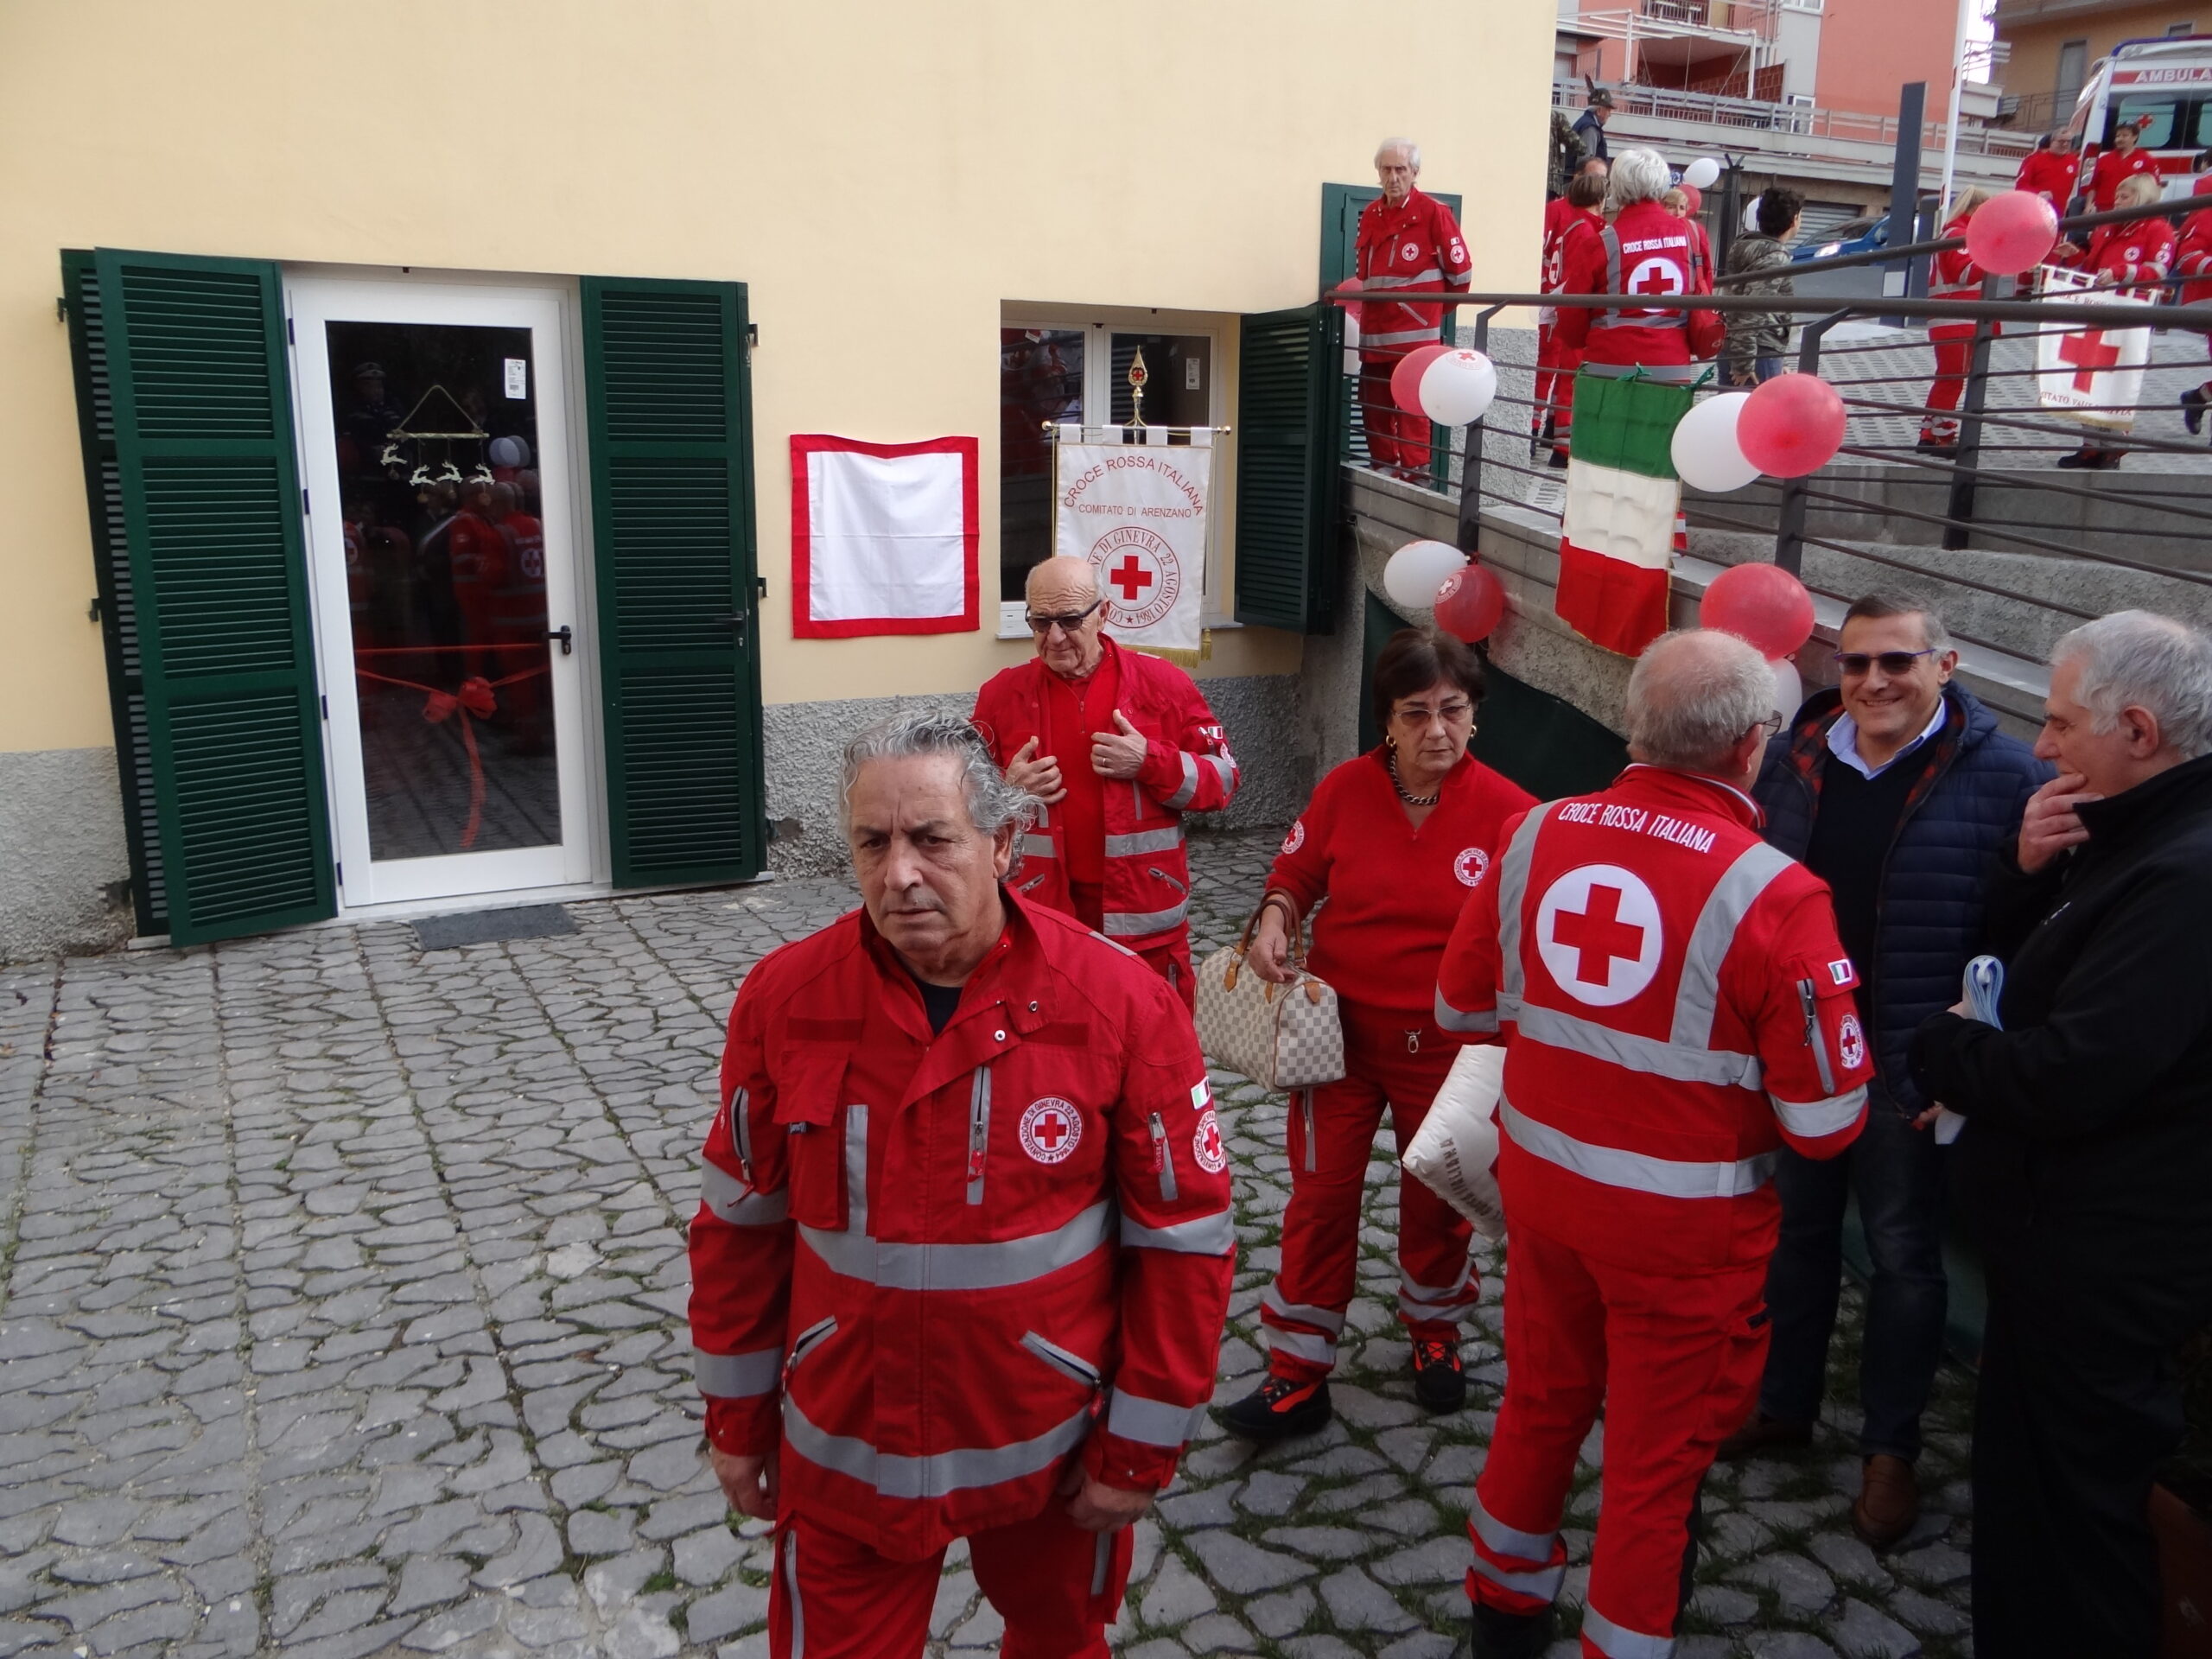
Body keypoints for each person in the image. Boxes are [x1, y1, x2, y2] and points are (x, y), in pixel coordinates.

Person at [690, 709, 1235, 1659]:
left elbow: (1183, 1246)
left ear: (1004, 842)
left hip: (1051, 1452)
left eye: (932, 839)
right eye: (873, 842)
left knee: (1059, 1642)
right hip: (846, 1446)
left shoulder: (1120, 1003)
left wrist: (1140, 1451)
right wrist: (737, 1421)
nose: (899, 874)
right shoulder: (783, 998)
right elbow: (739, 1228)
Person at [1436, 628, 1872, 1659]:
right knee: (1651, 1461)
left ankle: (1502, 1607)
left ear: (1636, 723)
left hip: (1542, 1194)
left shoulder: (1534, 834)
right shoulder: (1777, 893)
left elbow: (1460, 1008)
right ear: (1749, 747)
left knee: (1539, 1403)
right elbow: (1825, 1124)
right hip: (1686, 1237)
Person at [1910, 611, 2212, 1659]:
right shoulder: (2120, 829)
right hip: (2052, 1250)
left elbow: (2074, 1072)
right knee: (2026, 1505)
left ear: (2136, 728)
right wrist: (2024, 872)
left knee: (2078, 1528)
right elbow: (2029, 966)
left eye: (2058, 723)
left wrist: (1939, 1054)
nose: (2040, 746)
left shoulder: (2183, 877)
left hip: (2103, 1265)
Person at [1724, 595, 2047, 1550]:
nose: (1872, 682)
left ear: (1943, 666)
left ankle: (1889, 1451)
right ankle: (1783, 1404)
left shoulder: (2006, 774)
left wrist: (1963, 1063)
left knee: (1906, 1260)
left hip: (1908, 1068)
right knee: (1797, 1238)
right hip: (1802, 1054)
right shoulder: (1799, 756)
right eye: (1855, 664)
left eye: (1895, 662)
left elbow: (2019, 939)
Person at [1220, 629, 1536, 1440]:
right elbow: (1294, 877)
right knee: (1321, 1202)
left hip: (1449, 1055)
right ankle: (1296, 1372)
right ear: (1386, 722)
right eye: (1415, 713)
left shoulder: (1514, 815)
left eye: (1454, 710)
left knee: (1438, 1205)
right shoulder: (1343, 792)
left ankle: (1434, 1335)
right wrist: (1275, 922)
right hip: (1342, 1047)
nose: (1438, 730)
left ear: (1477, 715)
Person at [972, 556, 1240, 1010]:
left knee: (1149, 1054)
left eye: (1070, 621)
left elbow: (1224, 781)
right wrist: (1006, 786)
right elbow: (959, 800)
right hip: (1040, 918)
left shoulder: (1163, 685)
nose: (1054, 637)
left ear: (1104, 613)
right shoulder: (1000, 695)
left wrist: (1150, 761)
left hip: (1146, 919)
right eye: (1040, 622)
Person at [1551, 148, 1714, 468]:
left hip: (1608, 371)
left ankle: (1596, 519)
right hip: (1672, 372)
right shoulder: (1693, 235)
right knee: (1658, 465)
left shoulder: (1602, 241)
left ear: (1617, 187)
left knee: (1602, 463)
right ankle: (1661, 520)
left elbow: (1571, 317)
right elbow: (1705, 293)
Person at [1354, 137, 1473, 480]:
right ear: (1378, 172)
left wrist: (1429, 312)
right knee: (1373, 406)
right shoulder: (1372, 215)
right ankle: (1383, 468)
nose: (1393, 177)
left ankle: (1415, 471)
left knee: (1412, 407)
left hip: (1415, 339)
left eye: (1401, 169)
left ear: (1415, 172)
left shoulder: (1434, 213)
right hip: (1374, 338)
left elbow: (1461, 275)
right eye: (1386, 169)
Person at [2056, 172, 2172, 470]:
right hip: (2100, 312)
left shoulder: (2158, 229)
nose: (2117, 201)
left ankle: (2112, 447)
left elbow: (2158, 272)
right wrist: (2073, 256)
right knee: (2090, 378)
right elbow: (2092, 265)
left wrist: (2121, 272)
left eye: (2125, 196)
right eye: (2118, 195)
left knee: (2118, 378)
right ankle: (2090, 447)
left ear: (2143, 197)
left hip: (2131, 316)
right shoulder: (2107, 227)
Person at [1535, 165, 1608, 455]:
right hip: (1571, 310)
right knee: (1570, 378)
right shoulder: (1589, 230)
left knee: (1546, 372)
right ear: (1599, 198)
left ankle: (1541, 429)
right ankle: (1562, 447)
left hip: (1553, 305)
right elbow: (1581, 277)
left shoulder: (1570, 224)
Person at [1917, 188, 1996, 457]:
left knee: (1948, 377)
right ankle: (1941, 436)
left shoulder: (1955, 232)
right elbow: (1965, 273)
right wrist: (1997, 256)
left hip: (1954, 318)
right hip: (1959, 318)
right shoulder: (1959, 234)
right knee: (1952, 379)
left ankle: (1931, 433)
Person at [1721, 187, 1804, 388]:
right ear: (1794, 219)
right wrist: (1745, 364)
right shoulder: (1776, 258)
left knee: (1730, 410)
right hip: (1757, 350)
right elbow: (1752, 310)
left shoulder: (1744, 246)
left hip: (1735, 345)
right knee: (1755, 414)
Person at [2087, 115, 2158, 213]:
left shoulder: (2146, 159)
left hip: (2131, 211)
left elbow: (2154, 187)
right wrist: (2088, 206)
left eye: (2125, 136)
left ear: (2134, 137)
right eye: (2118, 136)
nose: (2120, 139)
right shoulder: (2104, 160)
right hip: (2103, 212)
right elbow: (2093, 187)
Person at [2015, 130, 2081, 208]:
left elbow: (2079, 184)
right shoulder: (2035, 161)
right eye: (2061, 141)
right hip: (2037, 209)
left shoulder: (2074, 161)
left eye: (2068, 142)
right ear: (2052, 142)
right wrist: (2038, 193)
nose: (2065, 144)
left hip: (2059, 214)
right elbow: (2020, 186)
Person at [1573, 85, 1613, 166]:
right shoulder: (1590, 129)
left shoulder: (1585, 123)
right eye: (1608, 110)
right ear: (1599, 110)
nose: (1610, 114)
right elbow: (1585, 165)